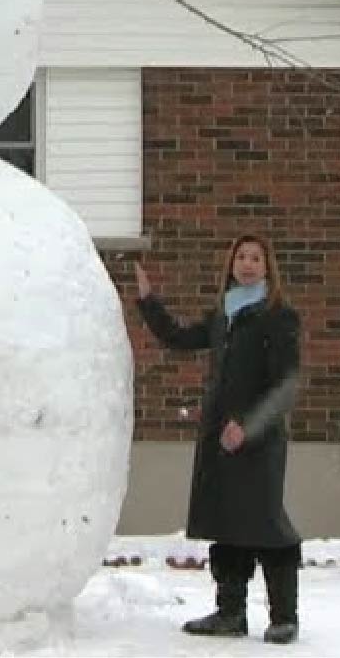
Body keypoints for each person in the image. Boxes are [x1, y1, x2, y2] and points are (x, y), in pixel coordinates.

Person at [133, 236, 303, 643]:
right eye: (241, 257)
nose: (247, 264)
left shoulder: (278, 316)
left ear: (268, 267)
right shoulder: (224, 314)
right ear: (231, 264)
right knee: (227, 525)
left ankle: (284, 617)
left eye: (256, 258)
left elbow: (286, 385)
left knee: (266, 524)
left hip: (258, 439)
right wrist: (148, 300)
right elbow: (178, 338)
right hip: (219, 439)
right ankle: (230, 614)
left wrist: (247, 425)